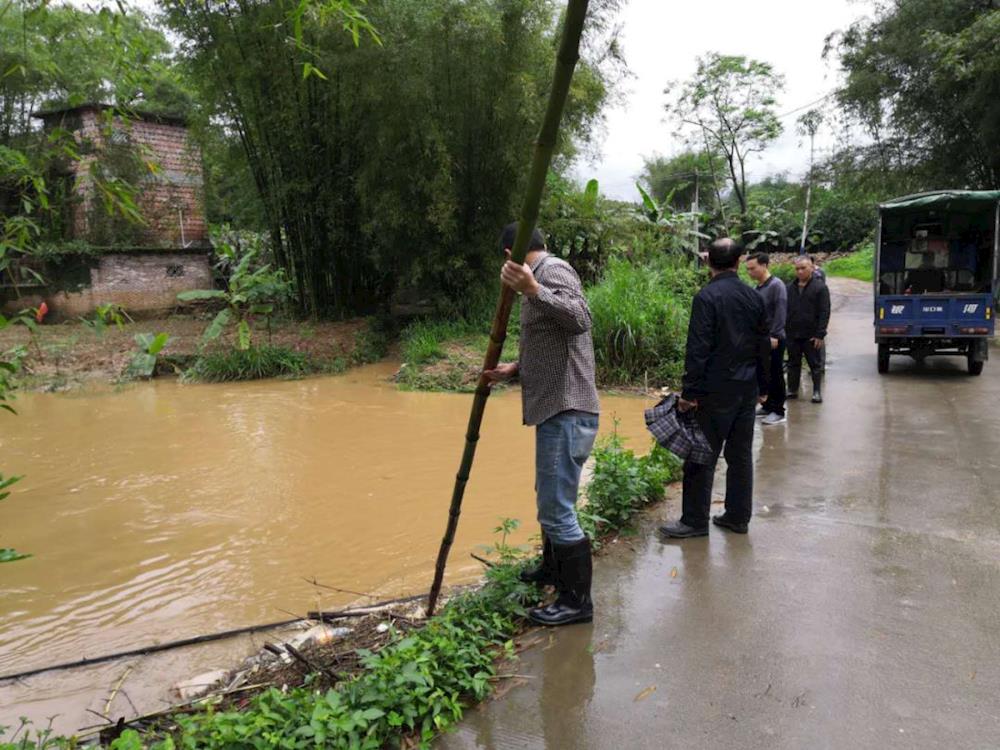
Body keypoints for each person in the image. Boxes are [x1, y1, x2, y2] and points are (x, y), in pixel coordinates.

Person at [484, 222, 600, 627]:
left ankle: (576, 603)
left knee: (557, 509)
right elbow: (553, 344)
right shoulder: (541, 277)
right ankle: (552, 571)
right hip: (556, 408)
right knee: (548, 497)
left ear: (508, 255)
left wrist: (534, 289)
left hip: (567, 409)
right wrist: (514, 369)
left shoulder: (552, 271)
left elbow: (580, 317)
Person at [658, 238, 769, 539]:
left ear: (708, 263)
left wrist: (689, 394)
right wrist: (764, 386)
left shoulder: (706, 297)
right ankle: (737, 516)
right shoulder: (754, 297)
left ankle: (694, 521)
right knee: (740, 456)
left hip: (714, 392)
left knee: (700, 455)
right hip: (746, 389)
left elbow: (698, 350)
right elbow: (763, 345)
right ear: (738, 262)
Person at [745, 252, 787, 426]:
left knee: (776, 373)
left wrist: (775, 335)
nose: (750, 272)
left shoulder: (777, 286)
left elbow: (780, 311)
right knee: (764, 373)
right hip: (762, 340)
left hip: (774, 338)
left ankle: (778, 410)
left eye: (752, 268)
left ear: (764, 265)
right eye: (747, 269)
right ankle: (768, 406)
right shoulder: (758, 288)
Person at [786, 255, 831, 403]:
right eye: (797, 269)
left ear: (812, 268)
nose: (800, 272)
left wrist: (820, 334)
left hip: (811, 334)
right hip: (792, 333)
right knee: (793, 363)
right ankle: (792, 389)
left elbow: (825, 312)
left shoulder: (820, 288)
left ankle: (816, 391)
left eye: (803, 268)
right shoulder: (789, 288)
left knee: (814, 364)